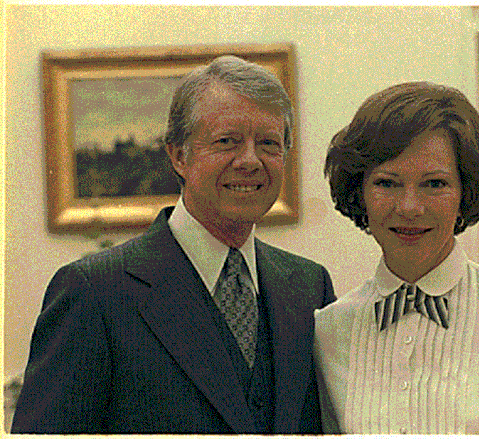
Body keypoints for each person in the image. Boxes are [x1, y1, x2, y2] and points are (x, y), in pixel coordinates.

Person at [12, 55, 336, 434]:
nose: (250, 160)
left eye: (268, 143)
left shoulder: (309, 286)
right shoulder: (94, 292)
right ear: (178, 155)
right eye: (227, 141)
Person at [314, 81, 479, 434]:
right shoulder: (329, 331)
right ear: (359, 192)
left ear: (465, 192)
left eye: (434, 183)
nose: (410, 207)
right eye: (387, 183)